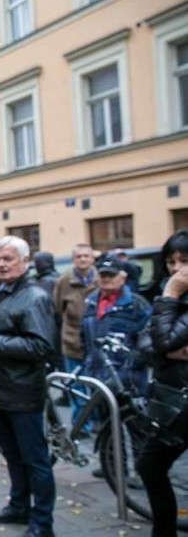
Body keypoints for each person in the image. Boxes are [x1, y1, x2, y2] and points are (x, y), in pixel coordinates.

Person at [0, 235, 57, 537]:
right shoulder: (5, 291)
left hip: (22, 394)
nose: (2, 264)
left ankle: (42, 523)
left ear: (25, 261)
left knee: (36, 460)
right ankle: (19, 506)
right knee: (14, 456)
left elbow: (42, 346)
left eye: (9, 258)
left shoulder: (34, 296)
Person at [136, 229, 188, 537]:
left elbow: (164, 338)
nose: (176, 269)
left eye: (184, 260)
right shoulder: (171, 296)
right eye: (171, 261)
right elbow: (147, 344)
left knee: (151, 465)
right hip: (173, 403)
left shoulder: (172, 295)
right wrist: (168, 350)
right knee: (150, 466)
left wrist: (170, 295)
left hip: (181, 402)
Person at [80, 256, 151, 394]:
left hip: (128, 383)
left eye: (111, 275)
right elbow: (84, 339)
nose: (106, 279)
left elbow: (147, 344)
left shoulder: (137, 305)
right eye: (103, 275)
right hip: (96, 378)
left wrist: (129, 370)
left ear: (122, 277)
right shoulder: (90, 302)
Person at [54, 243, 99, 426]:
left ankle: (98, 421)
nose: (82, 259)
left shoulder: (100, 278)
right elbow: (57, 308)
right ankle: (81, 425)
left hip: (95, 342)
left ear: (92, 259)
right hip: (72, 341)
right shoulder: (64, 280)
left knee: (96, 385)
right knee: (75, 386)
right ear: (73, 259)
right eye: (79, 256)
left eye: (86, 256)